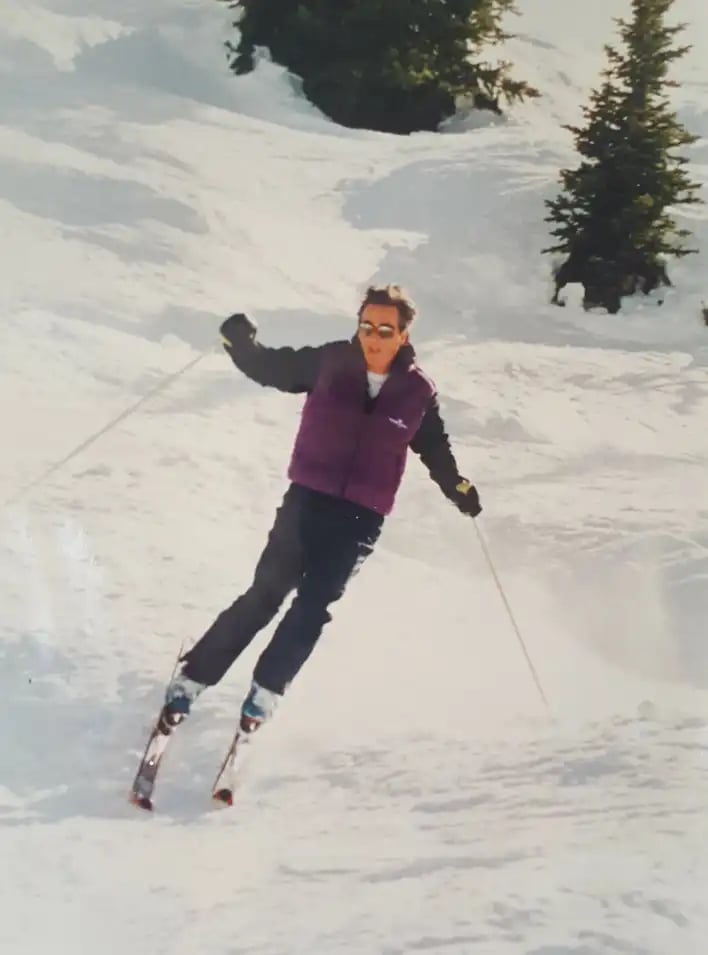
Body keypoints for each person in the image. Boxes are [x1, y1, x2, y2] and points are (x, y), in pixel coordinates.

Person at [160, 285, 481, 737]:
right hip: (307, 501)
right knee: (265, 593)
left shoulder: (417, 393)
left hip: (360, 519)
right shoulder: (330, 362)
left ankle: (265, 692)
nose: (372, 336)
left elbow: (435, 449)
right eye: (366, 326)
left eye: (384, 330)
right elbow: (273, 368)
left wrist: (457, 487)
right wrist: (240, 344)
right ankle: (192, 680)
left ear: (403, 336)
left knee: (314, 605)